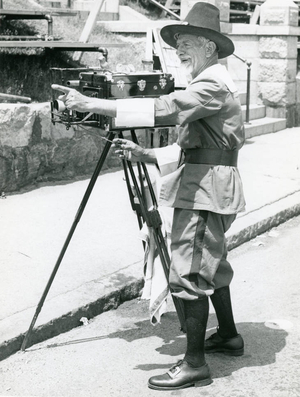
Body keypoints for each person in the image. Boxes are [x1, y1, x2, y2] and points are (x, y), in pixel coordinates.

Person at [52, 2, 246, 391]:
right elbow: (201, 146)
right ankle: (227, 335)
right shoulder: (211, 82)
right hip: (208, 179)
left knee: (188, 271)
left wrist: (94, 104)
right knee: (212, 262)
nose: (180, 52)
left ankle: (194, 365)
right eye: (177, 46)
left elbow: (167, 109)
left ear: (209, 47)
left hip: (206, 189)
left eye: (186, 43)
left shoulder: (211, 84)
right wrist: (147, 155)